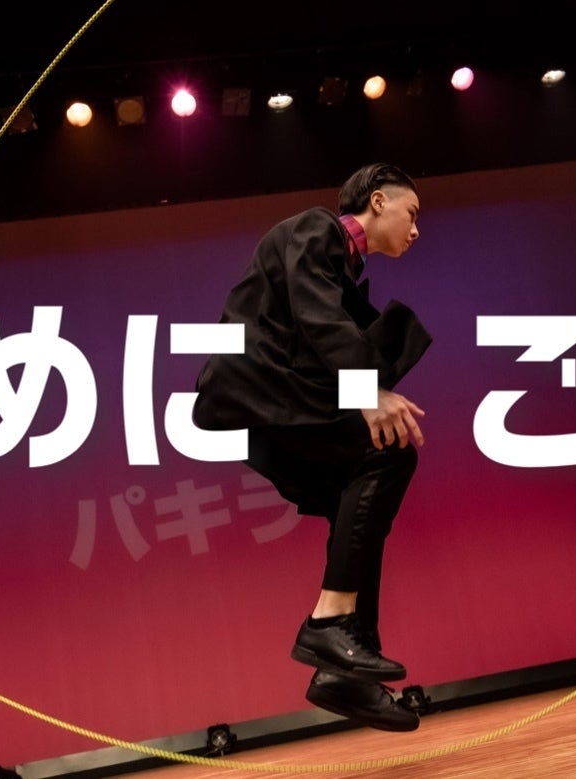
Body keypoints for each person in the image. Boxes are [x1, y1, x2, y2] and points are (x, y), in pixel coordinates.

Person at [192, 164, 432, 731]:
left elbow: (323, 324)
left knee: (358, 499)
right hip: (263, 389)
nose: (416, 229)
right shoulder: (317, 228)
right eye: (412, 213)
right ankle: (328, 625)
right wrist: (368, 393)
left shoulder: (343, 269)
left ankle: (346, 671)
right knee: (389, 453)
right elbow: (317, 317)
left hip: (277, 399)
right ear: (378, 201)